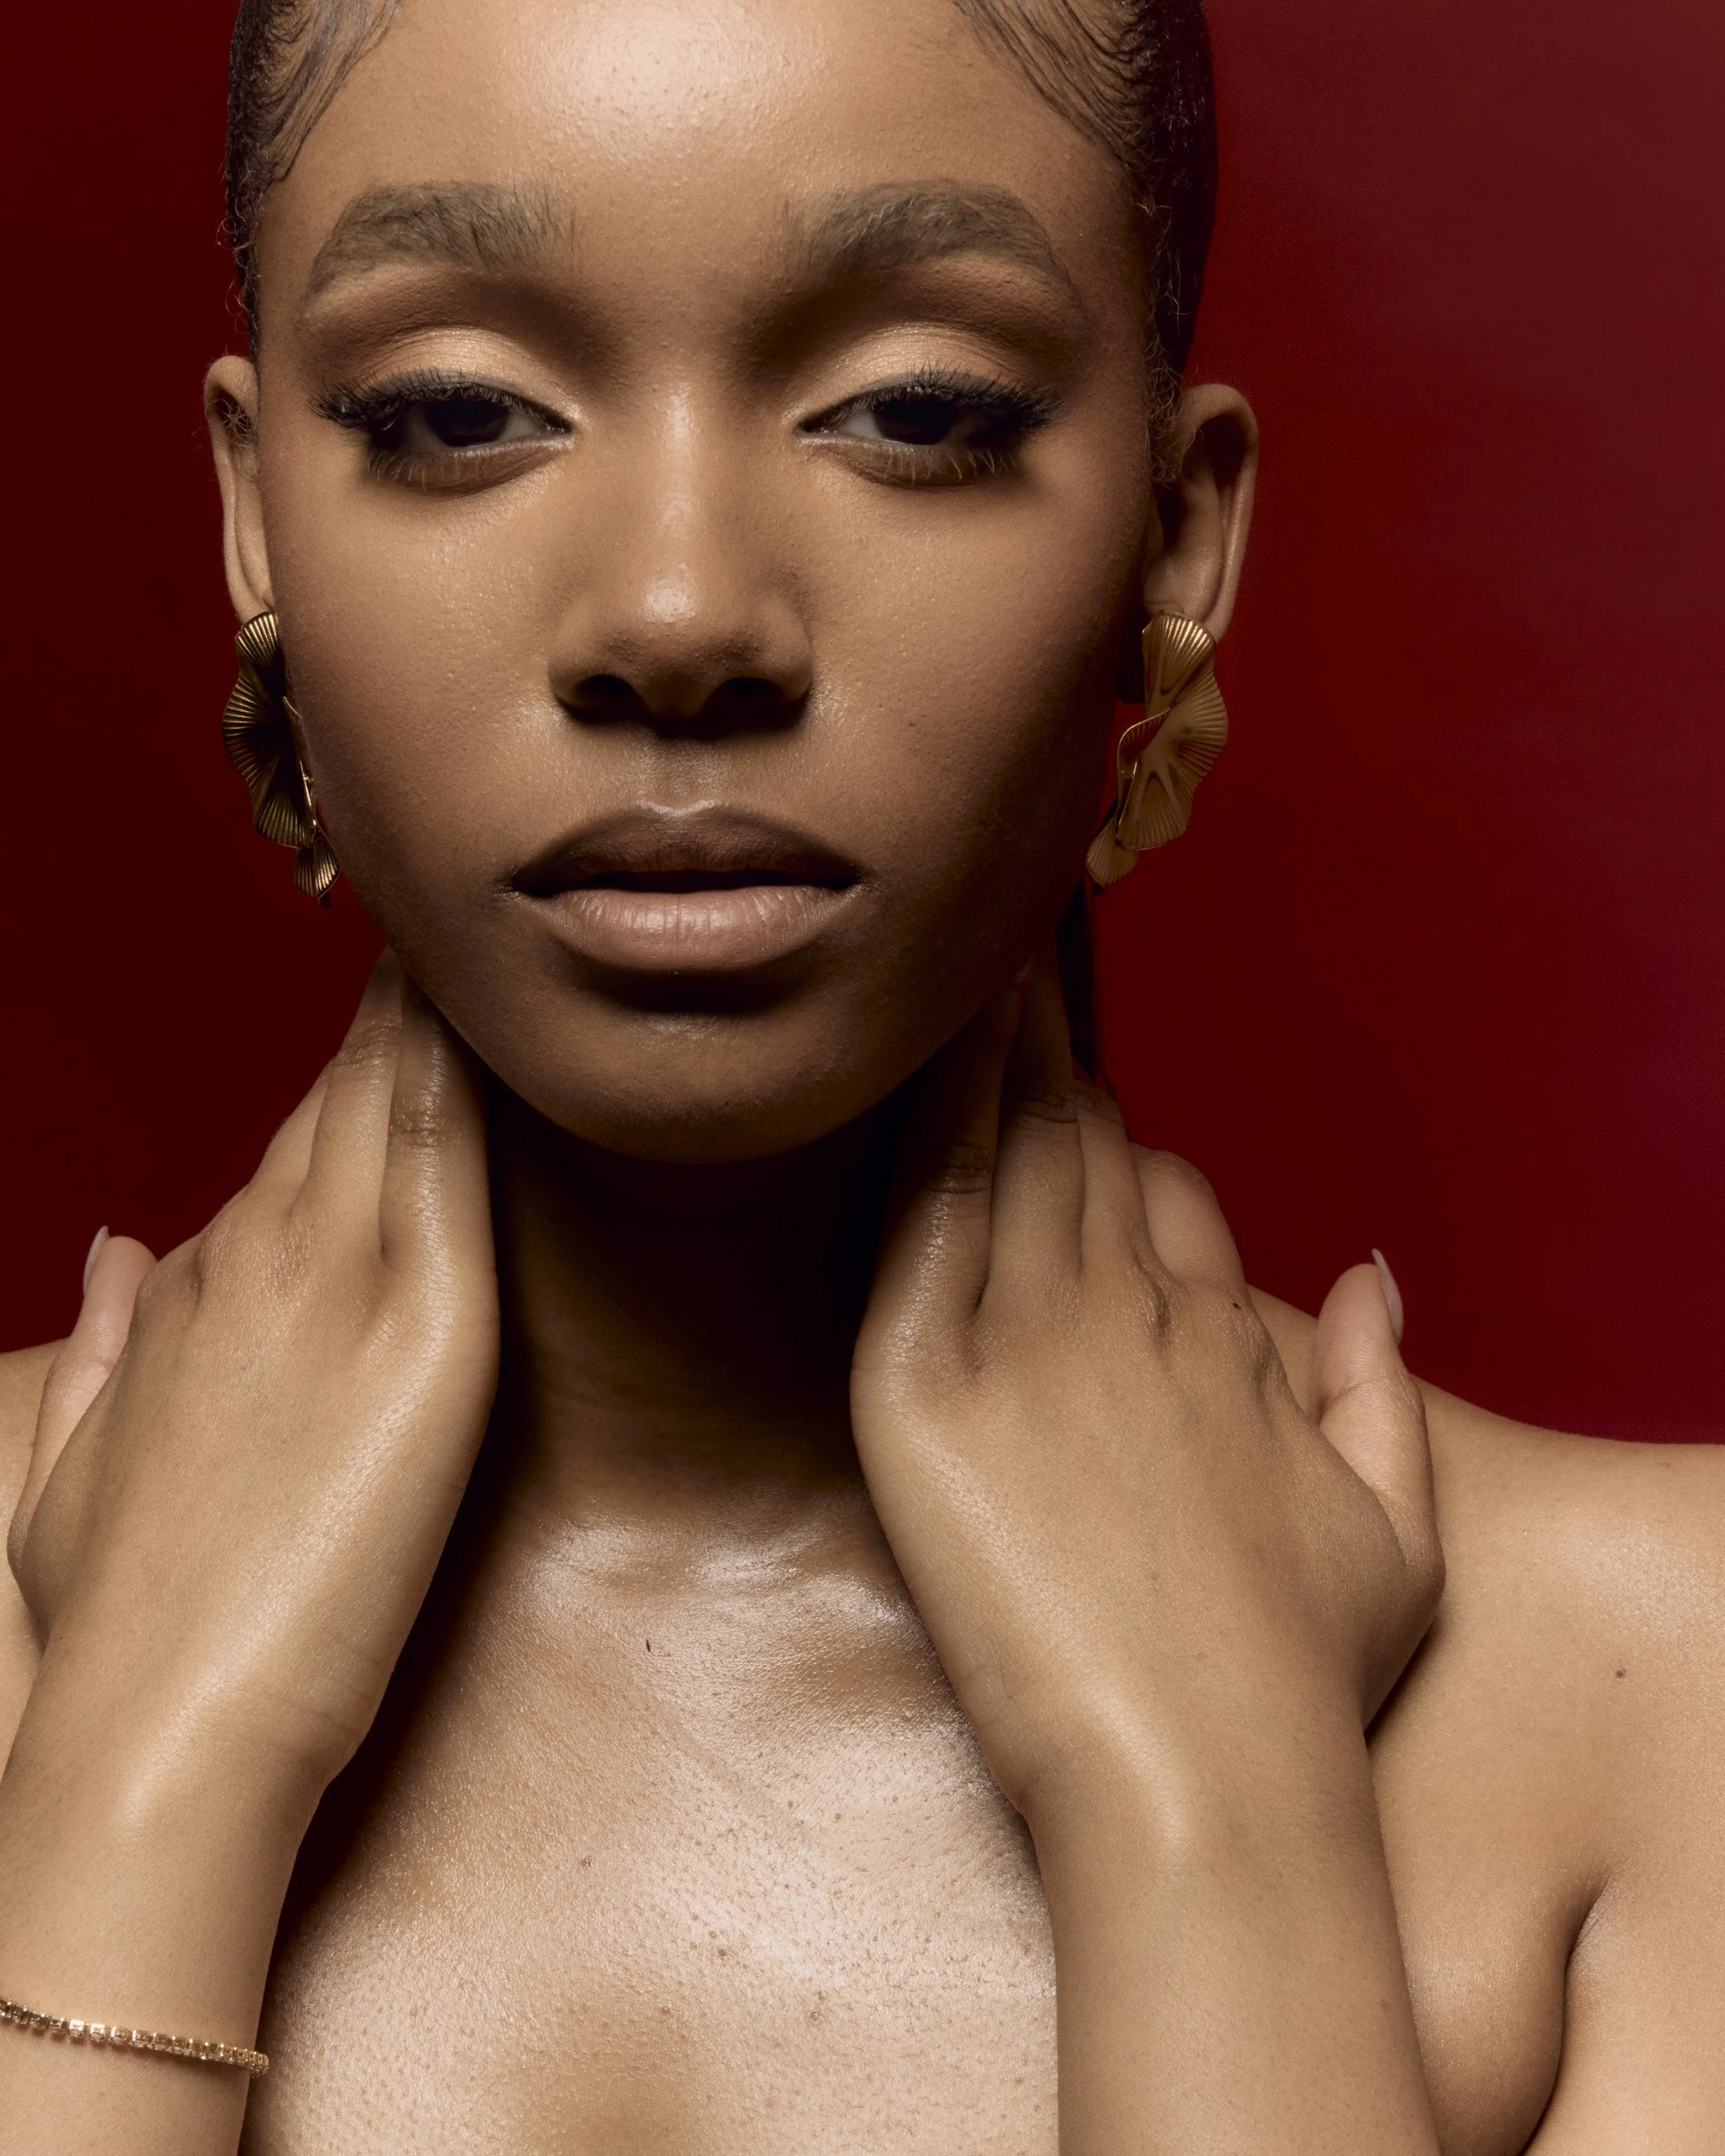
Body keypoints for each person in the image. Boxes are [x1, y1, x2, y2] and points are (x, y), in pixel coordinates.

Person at [1, 0, 1722, 2148]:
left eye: (914, 409)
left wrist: (1205, 1818)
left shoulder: (1675, 1711)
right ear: (258, 519)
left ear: (1175, 547)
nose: (677, 609)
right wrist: (146, 1788)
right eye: (458, 411)